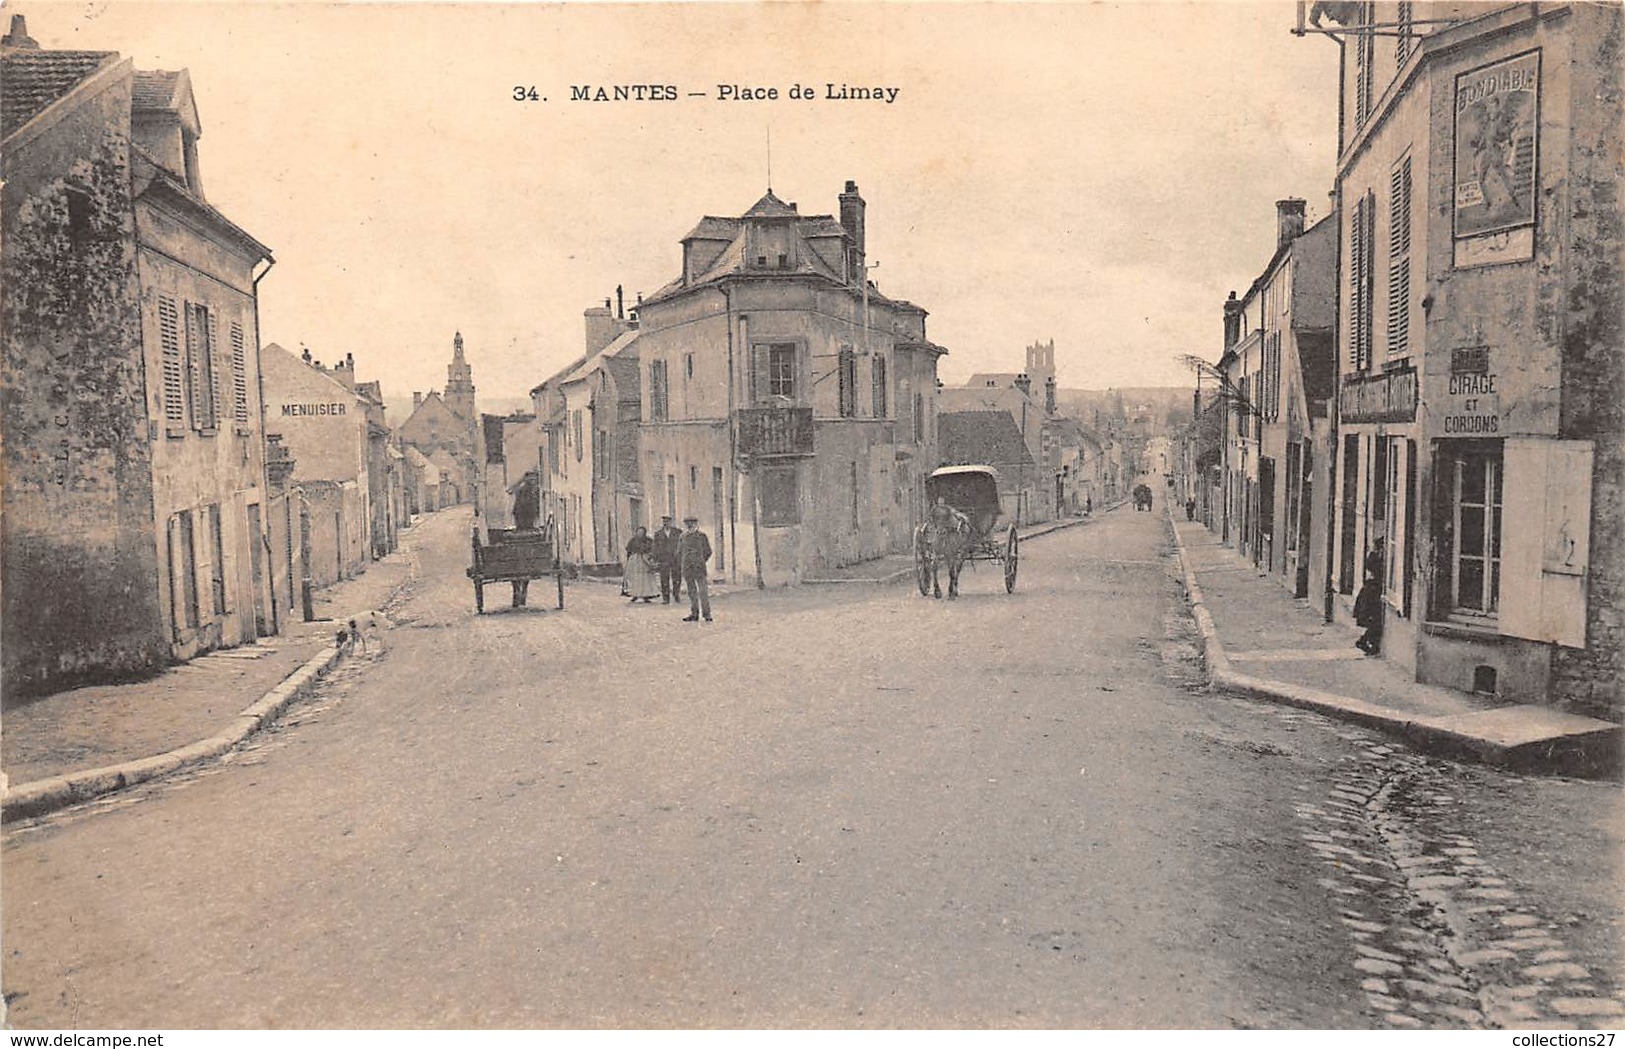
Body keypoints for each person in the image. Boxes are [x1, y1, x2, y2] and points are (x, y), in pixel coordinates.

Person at [1354, 539, 1386, 655]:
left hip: (1372, 589)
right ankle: (1366, 641)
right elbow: (1376, 570)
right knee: (1375, 619)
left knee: (1375, 620)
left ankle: (1369, 643)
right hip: (1373, 590)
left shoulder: (1374, 557)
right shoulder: (1375, 558)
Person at [678, 515, 712, 622]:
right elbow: (679, 552)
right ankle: (694, 613)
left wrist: (701, 560)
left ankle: (707, 614)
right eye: (687, 523)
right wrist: (683, 562)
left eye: (692, 523)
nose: (689, 525)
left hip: (699, 567)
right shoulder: (683, 536)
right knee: (691, 592)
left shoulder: (702, 536)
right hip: (687, 567)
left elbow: (708, 551)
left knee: (703, 591)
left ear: (696, 524)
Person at [623, 526, 660, 603]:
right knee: (635, 578)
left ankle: (646, 595)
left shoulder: (648, 540)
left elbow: (653, 550)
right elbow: (629, 551)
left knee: (645, 579)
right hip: (635, 561)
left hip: (645, 561)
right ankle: (635, 594)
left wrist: (650, 557)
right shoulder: (632, 541)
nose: (640, 534)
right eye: (638, 532)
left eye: (641, 532)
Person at [652, 514, 683, 605]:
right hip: (664, 559)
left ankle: (676, 594)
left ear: (671, 522)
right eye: (664, 522)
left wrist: (680, 556)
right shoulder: (658, 534)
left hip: (675, 558)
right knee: (664, 579)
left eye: (668, 522)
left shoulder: (678, 532)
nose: (666, 523)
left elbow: (681, 545)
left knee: (677, 578)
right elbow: (655, 547)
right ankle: (666, 598)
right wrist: (656, 559)